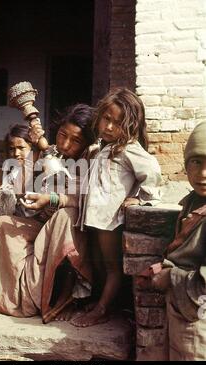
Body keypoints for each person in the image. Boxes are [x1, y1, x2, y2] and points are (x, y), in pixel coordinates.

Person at [0, 104, 98, 322]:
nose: (66, 144)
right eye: (62, 135)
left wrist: (50, 199)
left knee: (64, 216)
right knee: (1, 224)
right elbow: (27, 186)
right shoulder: (53, 153)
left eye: (76, 140)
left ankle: (66, 296)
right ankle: (16, 298)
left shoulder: (90, 159)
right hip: (43, 224)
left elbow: (85, 199)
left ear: (87, 143)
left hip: (70, 229)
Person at [71, 87, 162, 327]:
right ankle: (104, 302)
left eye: (118, 123)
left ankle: (101, 310)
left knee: (112, 267)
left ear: (131, 124)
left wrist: (141, 198)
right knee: (101, 263)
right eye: (106, 119)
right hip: (96, 217)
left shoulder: (129, 148)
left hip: (110, 218)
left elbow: (152, 171)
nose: (110, 127)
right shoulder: (103, 147)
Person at [146, 121, 206, 360]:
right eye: (196, 162)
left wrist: (169, 277)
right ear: (185, 165)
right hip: (183, 315)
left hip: (200, 323)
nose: (203, 174)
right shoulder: (192, 202)